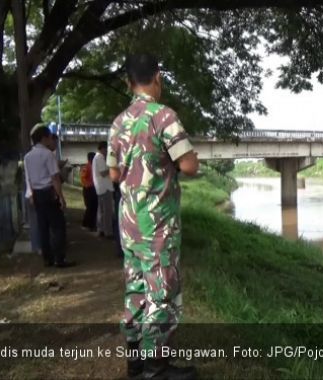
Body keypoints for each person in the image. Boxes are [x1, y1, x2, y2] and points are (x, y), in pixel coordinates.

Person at [107, 53, 199, 379]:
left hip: (129, 226)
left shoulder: (118, 123)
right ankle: (156, 368)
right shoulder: (163, 116)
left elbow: (114, 174)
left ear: (129, 81)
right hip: (158, 226)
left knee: (135, 291)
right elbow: (189, 165)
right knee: (160, 294)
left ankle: (135, 364)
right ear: (157, 78)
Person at [23, 126, 74, 268]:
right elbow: (55, 178)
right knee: (58, 226)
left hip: (37, 194)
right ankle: (59, 258)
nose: (52, 140)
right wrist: (61, 197)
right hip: (49, 192)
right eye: (50, 137)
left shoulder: (27, 156)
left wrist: (32, 194)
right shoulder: (47, 154)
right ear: (44, 138)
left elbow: (29, 178)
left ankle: (47, 259)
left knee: (43, 227)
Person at [93, 141, 114, 238]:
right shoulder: (100, 157)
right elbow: (103, 173)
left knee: (101, 210)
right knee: (107, 211)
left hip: (100, 187)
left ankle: (101, 229)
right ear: (102, 148)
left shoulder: (96, 158)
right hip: (105, 187)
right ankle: (108, 231)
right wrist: (113, 168)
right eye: (106, 149)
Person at [80, 152, 98, 231]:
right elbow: (83, 178)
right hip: (88, 189)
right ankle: (86, 224)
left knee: (94, 207)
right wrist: (88, 185)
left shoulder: (94, 166)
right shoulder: (86, 167)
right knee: (90, 207)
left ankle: (92, 224)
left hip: (94, 188)